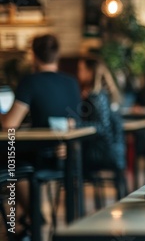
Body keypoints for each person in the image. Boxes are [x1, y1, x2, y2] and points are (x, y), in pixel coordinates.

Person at [0, 34, 82, 239]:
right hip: (67, 158)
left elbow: (10, 124)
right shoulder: (72, 83)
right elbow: (76, 121)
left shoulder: (30, 82)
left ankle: (31, 217)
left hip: (39, 158)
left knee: (8, 161)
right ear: (57, 55)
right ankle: (30, 218)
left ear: (33, 55)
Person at [77, 58, 126, 199]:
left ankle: (77, 209)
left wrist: (74, 124)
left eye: (81, 69)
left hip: (100, 154)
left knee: (70, 159)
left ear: (90, 72)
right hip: (115, 152)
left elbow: (101, 126)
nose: (78, 73)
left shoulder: (96, 96)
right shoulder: (108, 95)